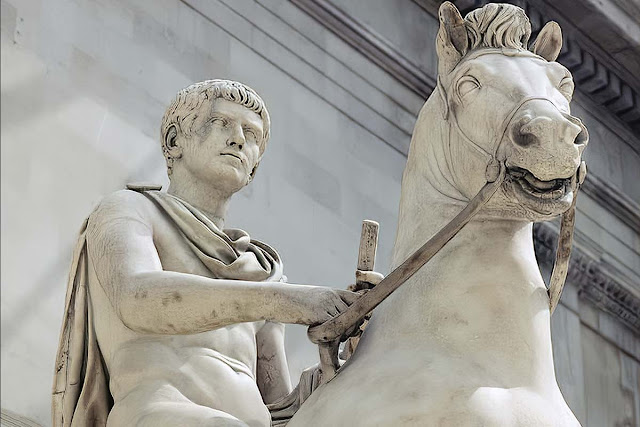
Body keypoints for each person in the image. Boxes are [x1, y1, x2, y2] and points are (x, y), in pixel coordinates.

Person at [52, 80, 368, 427]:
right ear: (175, 141)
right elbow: (137, 298)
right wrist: (286, 301)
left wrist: (345, 362)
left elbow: (278, 408)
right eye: (222, 123)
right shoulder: (130, 209)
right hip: (158, 413)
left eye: (251, 133)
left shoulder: (260, 268)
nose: (239, 139)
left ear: (254, 168)